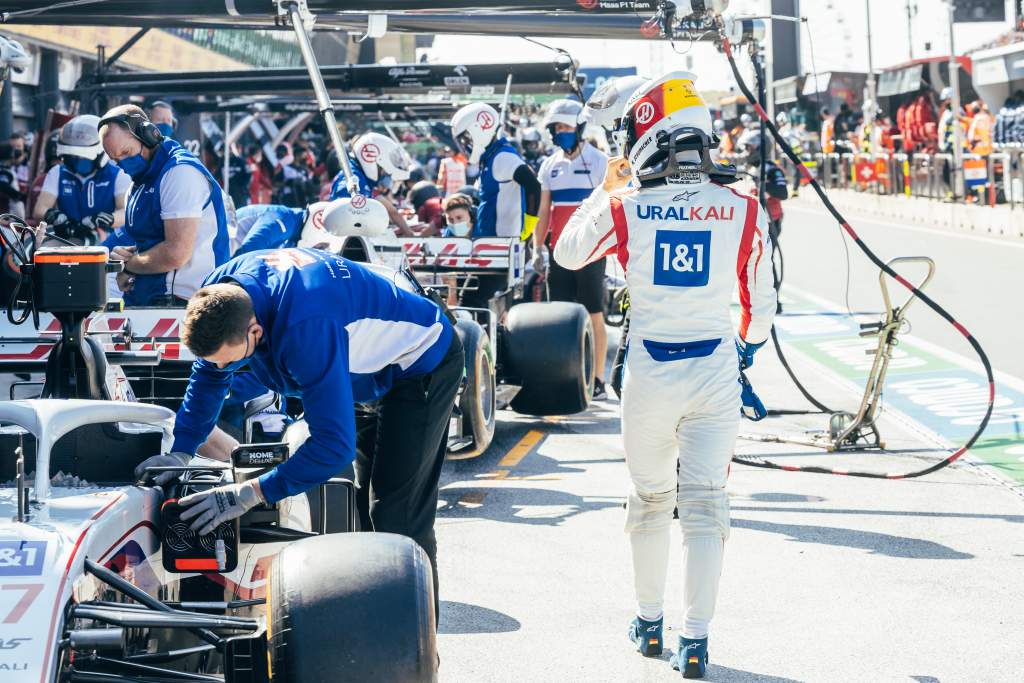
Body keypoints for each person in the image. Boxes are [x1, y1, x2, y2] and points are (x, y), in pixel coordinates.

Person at [553, 71, 776, 678]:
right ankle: (696, 641)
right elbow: (761, 311)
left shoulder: (627, 206)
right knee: (706, 505)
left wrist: (606, 186)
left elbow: (567, 252)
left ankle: (649, 623)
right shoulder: (744, 205)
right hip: (714, 369)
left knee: (651, 501)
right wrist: (745, 354)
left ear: (645, 132)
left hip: (650, 370)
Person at [135, 245, 464, 620]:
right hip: (357, 364)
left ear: (255, 329)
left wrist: (250, 492)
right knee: (355, 506)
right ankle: (372, 618)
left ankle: (412, 649)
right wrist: (181, 451)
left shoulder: (306, 327)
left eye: (231, 360)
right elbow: (209, 377)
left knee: (396, 514)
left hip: (419, 365)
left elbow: (332, 447)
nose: (224, 368)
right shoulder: (221, 295)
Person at [98, 104, 230, 306]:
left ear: (147, 135)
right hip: (155, 300)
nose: (123, 164)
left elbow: (175, 253)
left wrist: (130, 265)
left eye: (126, 152)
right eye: (116, 159)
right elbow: (151, 241)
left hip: (185, 303)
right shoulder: (141, 181)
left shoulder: (179, 172)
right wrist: (127, 256)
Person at [532, 98, 611, 399]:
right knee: (562, 314)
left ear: (578, 127)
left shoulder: (600, 161)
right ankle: (567, 374)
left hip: (591, 249)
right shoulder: (549, 165)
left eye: (565, 126)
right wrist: (538, 248)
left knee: (593, 311)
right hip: (559, 250)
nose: (560, 132)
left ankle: (599, 377)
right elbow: (544, 211)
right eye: (556, 128)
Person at [32, 115, 130, 244]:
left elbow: (125, 213)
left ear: (101, 154)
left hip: (107, 240)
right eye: (73, 157)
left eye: (84, 158)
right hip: (68, 238)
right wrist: (54, 216)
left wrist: (106, 219)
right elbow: (39, 209)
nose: (78, 162)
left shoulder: (119, 174)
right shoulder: (57, 172)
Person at [450, 102, 541, 239]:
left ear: (479, 129)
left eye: (466, 138)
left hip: (505, 243)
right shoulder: (490, 157)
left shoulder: (502, 157)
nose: (465, 145)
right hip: (493, 242)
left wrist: (528, 229)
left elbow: (533, 185)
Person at [328, 133, 413, 234]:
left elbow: (391, 211)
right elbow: (346, 221)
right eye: (383, 170)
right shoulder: (353, 180)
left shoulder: (362, 179)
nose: (384, 175)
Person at [231, 201, 329, 256]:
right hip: (223, 248)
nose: (319, 248)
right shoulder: (284, 221)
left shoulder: (292, 229)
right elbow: (247, 254)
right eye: (321, 246)